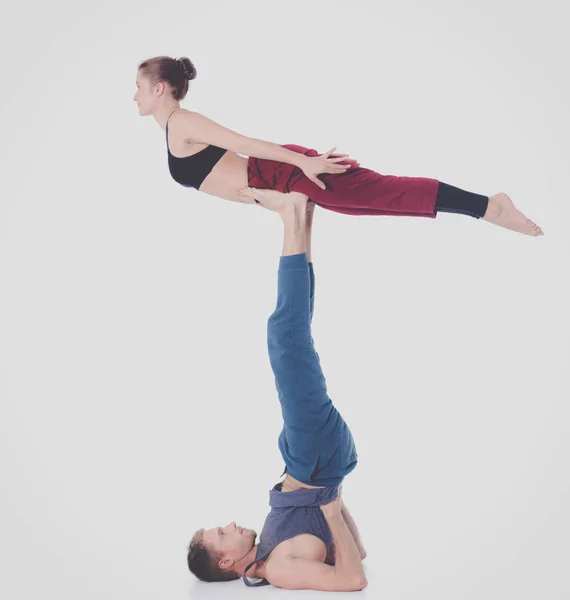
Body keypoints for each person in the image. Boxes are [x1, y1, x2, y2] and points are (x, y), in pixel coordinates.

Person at [134, 55, 544, 236]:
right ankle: (486, 208)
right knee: (372, 202)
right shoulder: (172, 128)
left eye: (138, 87)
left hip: (283, 172)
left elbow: (245, 142)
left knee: (385, 192)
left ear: (158, 88)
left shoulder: (182, 122)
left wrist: (303, 163)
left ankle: (491, 206)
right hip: (280, 185)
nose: (134, 95)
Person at [187, 192, 368, 592]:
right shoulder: (279, 569)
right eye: (222, 532)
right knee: (285, 340)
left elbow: (355, 551)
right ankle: (292, 217)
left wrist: (331, 494)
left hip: (310, 458)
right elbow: (354, 577)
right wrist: (332, 510)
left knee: (295, 335)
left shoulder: (273, 550)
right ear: (226, 560)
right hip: (314, 456)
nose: (230, 524)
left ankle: (302, 218)